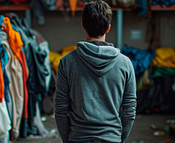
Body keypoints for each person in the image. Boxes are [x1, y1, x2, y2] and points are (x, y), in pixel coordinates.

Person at [54, 1, 137, 143]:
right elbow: (129, 110)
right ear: (108, 28)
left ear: (83, 25)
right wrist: (118, 138)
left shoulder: (67, 62)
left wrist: (69, 139)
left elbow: (61, 109)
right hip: (112, 138)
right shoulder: (125, 64)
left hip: (78, 138)